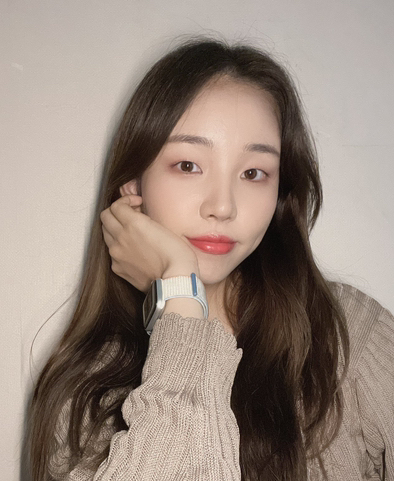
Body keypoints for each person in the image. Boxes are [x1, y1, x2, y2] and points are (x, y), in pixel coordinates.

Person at [25, 38, 394, 480]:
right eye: (188, 166)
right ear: (133, 185)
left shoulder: (348, 335)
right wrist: (180, 299)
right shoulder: (84, 394)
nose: (222, 206)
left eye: (253, 173)